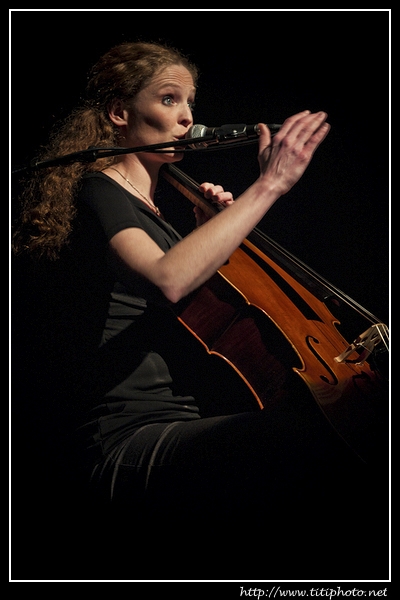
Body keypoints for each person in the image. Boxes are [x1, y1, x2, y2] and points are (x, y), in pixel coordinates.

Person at [11, 41, 387, 581]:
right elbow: (169, 279)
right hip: (127, 436)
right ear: (119, 112)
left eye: (190, 102)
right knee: (313, 440)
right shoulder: (99, 188)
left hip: (182, 420)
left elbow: (210, 297)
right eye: (169, 99)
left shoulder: (159, 213)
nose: (188, 116)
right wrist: (269, 186)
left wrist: (210, 231)